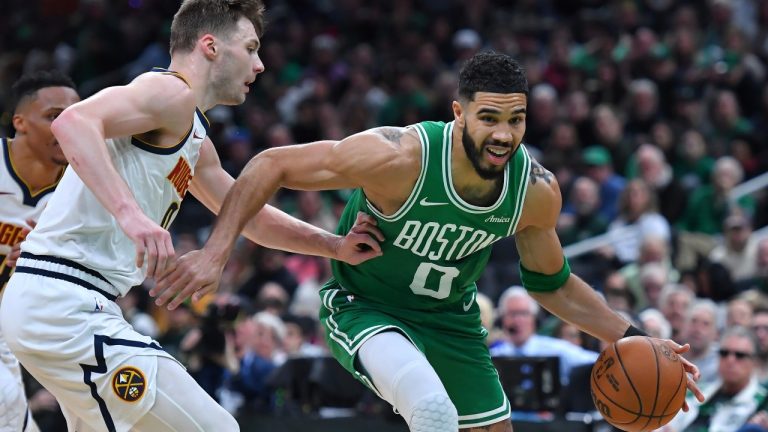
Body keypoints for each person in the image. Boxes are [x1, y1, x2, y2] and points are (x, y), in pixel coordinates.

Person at [159, 51, 704, 432]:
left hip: (452, 322)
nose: (503, 134)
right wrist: (215, 252)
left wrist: (634, 338)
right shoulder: (398, 157)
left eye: (516, 120)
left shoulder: (535, 193)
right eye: (489, 118)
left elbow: (551, 285)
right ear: (459, 113)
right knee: (433, 412)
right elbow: (270, 164)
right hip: (366, 307)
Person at [0, 1, 382, 432]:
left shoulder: (195, 137)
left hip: (74, 302)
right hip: (61, 300)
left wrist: (334, 246)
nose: (259, 65)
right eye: (251, 48)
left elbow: (249, 218)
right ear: (210, 46)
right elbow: (73, 121)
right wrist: (132, 215)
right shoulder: (170, 92)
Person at [0, 70, 80, 432]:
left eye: (75, 116)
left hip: (18, 326)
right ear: (20, 123)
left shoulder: (83, 188)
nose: (68, 126)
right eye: (54, 116)